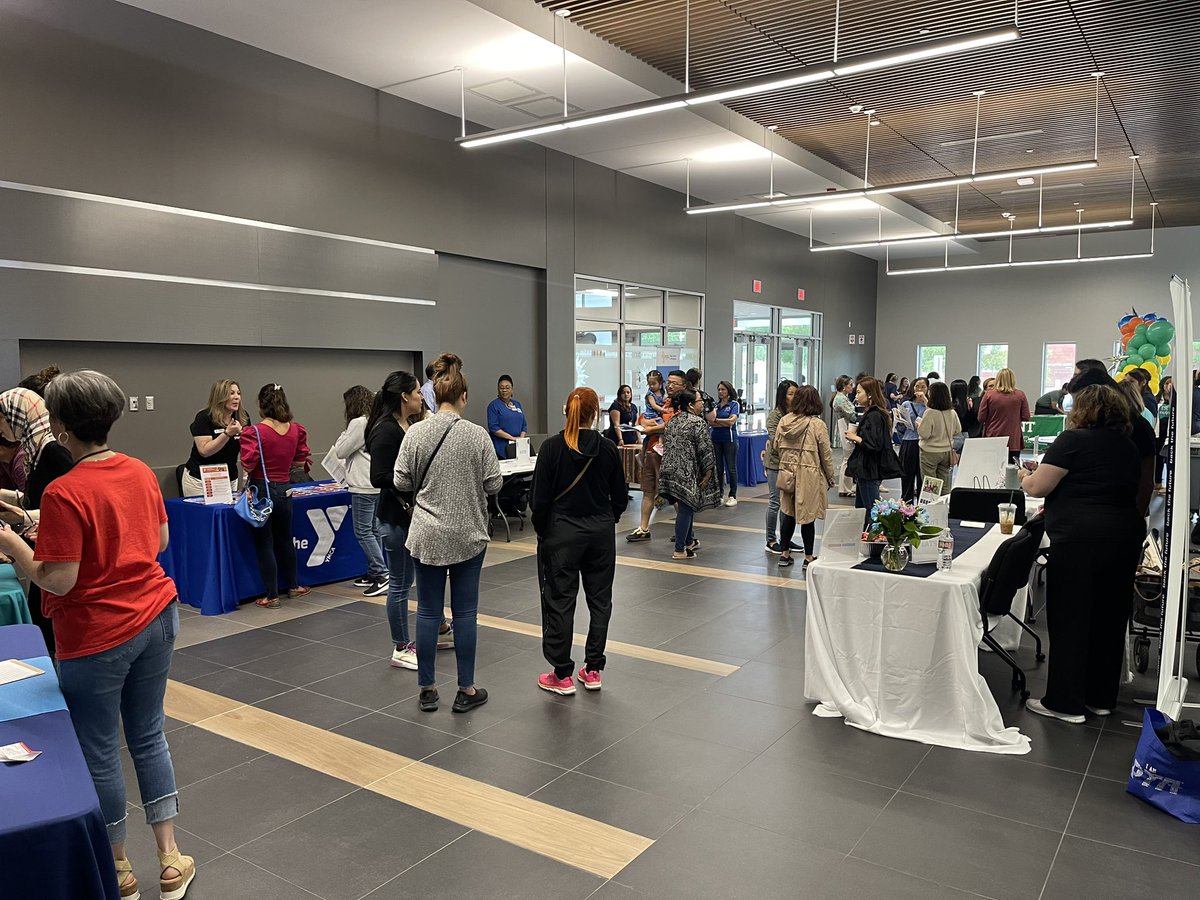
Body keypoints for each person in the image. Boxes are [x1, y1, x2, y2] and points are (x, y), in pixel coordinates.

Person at [0, 370, 196, 900]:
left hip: (95, 635)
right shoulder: (139, 471)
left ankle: (120, 869)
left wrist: (13, 545)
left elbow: (57, 578)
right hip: (157, 616)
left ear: (61, 426)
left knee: (101, 747)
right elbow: (157, 541)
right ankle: (171, 859)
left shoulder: (64, 491)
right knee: (148, 735)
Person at [1019, 383, 1143, 724]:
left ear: (1082, 410)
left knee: (1071, 617)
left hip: (1079, 540)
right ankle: (1101, 698)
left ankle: (1065, 702)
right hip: (1123, 537)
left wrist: (1025, 475)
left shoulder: (1072, 441)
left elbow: (1038, 487)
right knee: (1109, 618)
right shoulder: (1127, 445)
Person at [395, 353, 501, 714]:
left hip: (426, 535)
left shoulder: (415, 432)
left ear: (434, 395)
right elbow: (494, 484)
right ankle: (465, 689)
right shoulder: (477, 435)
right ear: (463, 396)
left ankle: (427, 690)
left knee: (427, 612)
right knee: (465, 613)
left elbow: (400, 480)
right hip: (468, 534)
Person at [532, 387, 627, 695]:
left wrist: (543, 529)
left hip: (561, 534)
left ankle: (562, 674)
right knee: (600, 601)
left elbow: (538, 500)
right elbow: (620, 496)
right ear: (595, 413)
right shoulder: (607, 448)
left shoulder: (551, 448)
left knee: (560, 599)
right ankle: (593, 669)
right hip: (600, 534)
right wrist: (607, 519)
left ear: (567, 411)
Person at [365, 371, 446, 670]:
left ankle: (440, 627)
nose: (421, 397)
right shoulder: (385, 430)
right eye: (417, 392)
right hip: (396, 518)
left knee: (425, 575)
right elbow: (379, 477)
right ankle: (400, 646)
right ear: (404, 396)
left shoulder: (409, 426)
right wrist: (412, 480)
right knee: (400, 583)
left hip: (414, 516)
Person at [0, 387, 75, 651]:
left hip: (57, 554)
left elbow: (69, 509)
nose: (0, 429)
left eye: (1, 419)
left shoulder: (52, 450)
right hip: (46, 546)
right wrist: (16, 507)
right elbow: (39, 498)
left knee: (48, 624)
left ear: (17, 416)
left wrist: (20, 526)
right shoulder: (35, 448)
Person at [239, 384, 311, 608]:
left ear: (261, 404)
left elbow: (248, 464)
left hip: (262, 489)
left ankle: (271, 595)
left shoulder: (254, 432)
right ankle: (293, 586)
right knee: (285, 538)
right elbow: (299, 461)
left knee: (264, 542)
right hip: (285, 488)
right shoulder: (295, 430)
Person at [334, 385, 389, 597]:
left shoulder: (358, 423)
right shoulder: (377, 419)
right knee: (374, 530)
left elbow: (341, 450)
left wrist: (344, 433)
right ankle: (375, 571)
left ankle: (382, 574)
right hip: (375, 484)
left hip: (362, 485)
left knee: (363, 531)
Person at [774, 385, 835, 569]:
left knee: (788, 514)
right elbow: (826, 454)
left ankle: (784, 554)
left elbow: (776, 446)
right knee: (808, 516)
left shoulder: (784, 420)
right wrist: (830, 476)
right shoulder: (817, 424)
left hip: (787, 473)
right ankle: (808, 557)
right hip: (809, 475)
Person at [659, 388, 720, 560]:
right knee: (685, 509)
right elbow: (705, 450)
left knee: (687, 506)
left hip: (669, 470)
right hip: (686, 472)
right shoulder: (697, 422)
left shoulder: (673, 420)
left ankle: (688, 542)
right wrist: (708, 472)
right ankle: (679, 550)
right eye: (700, 401)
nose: (703, 404)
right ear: (691, 405)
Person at [626, 370, 686, 542]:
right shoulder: (664, 400)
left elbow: (672, 424)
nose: (671, 385)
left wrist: (651, 428)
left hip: (669, 453)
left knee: (672, 493)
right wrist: (644, 422)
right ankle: (643, 528)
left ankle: (686, 532)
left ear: (684, 386)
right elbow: (643, 418)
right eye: (669, 382)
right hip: (652, 449)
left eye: (675, 383)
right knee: (648, 489)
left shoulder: (685, 404)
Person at [844, 376, 901, 523]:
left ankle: (872, 535)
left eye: (859, 392)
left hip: (869, 469)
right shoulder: (874, 413)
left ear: (869, 394)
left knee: (871, 511)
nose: (856, 396)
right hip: (867, 469)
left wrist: (855, 437)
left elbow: (874, 444)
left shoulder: (874, 415)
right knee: (863, 509)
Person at [181, 379, 248, 497]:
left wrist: (246, 478)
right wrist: (227, 434)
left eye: (238, 393)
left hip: (229, 478)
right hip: (201, 480)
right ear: (220, 396)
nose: (236, 397)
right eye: (231, 393)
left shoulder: (243, 418)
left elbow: (247, 449)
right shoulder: (204, 417)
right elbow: (204, 451)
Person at [763, 379, 798, 554]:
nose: (794, 397)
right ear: (783, 396)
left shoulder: (797, 414)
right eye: (790, 394)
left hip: (791, 463)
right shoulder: (775, 416)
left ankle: (786, 539)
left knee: (788, 503)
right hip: (776, 464)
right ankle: (770, 540)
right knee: (775, 501)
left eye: (796, 394)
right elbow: (776, 440)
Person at [977, 368, 1030, 463]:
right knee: (1012, 468)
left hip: (993, 438)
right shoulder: (1020, 395)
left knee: (992, 467)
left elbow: (981, 418)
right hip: (1013, 439)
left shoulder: (989, 395)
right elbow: (1026, 416)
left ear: (998, 379)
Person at [918, 381, 961, 494]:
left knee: (931, 485)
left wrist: (919, 425)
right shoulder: (952, 412)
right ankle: (945, 503)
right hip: (946, 451)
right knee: (945, 484)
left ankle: (932, 504)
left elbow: (924, 434)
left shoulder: (930, 412)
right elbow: (958, 430)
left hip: (930, 452)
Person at [895, 377, 928, 501]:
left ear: (927, 388)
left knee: (922, 476)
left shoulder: (929, 406)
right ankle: (906, 503)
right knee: (907, 475)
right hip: (908, 442)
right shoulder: (906, 404)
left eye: (923, 386)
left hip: (923, 443)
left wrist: (925, 401)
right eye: (917, 386)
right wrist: (900, 421)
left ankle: (922, 504)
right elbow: (900, 428)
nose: (919, 389)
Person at [710, 380, 740, 507]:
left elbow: (731, 421)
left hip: (730, 440)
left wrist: (717, 421)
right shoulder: (715, 406)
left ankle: (732, 495)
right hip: (716, 439)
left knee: (731, 468)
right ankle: (719, 494)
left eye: (723, 389)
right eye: (719, 389)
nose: (720, 392)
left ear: (728, 391)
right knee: (718, 468)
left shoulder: (734, 404)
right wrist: (722, 422)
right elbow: (710, 422)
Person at [486, 374, 528, 458]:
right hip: (501, 448)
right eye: (501, 388)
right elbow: (493, 428)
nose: (504, 390)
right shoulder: (493, 405)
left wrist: (520, 440)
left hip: (519, 446)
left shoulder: (517, 404)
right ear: (498, 390)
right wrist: (512, 438)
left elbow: (524, 425)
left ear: (512, 390)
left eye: (507, 387)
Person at [830, 375, 858, 497]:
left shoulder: (843, 398)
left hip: (845, 425)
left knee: (847, 457)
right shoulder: (841, 399)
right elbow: (852, 415)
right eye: (850, 385)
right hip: (845, 426)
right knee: (848, 457)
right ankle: (845, 488)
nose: (852, 387)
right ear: (843, 386)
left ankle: (846, 487)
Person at [1154, 375, 1173, 491]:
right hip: (1159, 433)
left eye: (1171, 383)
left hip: (1170, 432)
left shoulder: (1176, 400)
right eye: (1166, 383)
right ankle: (1157, 482)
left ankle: (1170, 483)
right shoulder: (1157, 399)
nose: (1168, 386)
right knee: (1158, 458)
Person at [950, 378, 976, 450]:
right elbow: (972, 421)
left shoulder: (951, 405)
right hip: (966, 434)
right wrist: (971, 409)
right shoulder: (969, 404)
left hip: (954, 435)